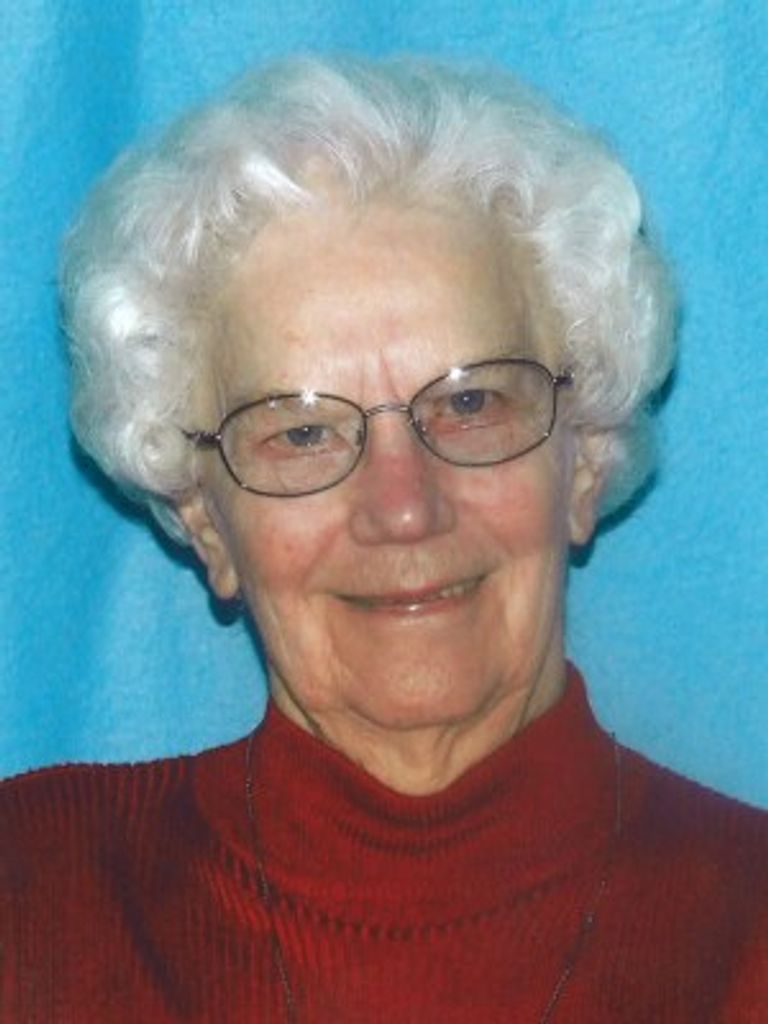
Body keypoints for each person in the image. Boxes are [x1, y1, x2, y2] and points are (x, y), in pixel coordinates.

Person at [2, 54, 767, 1024]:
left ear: (583, 460)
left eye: (472, 404)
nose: (404, 507)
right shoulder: (33, 897)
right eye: (301, 432)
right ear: (205, 517)